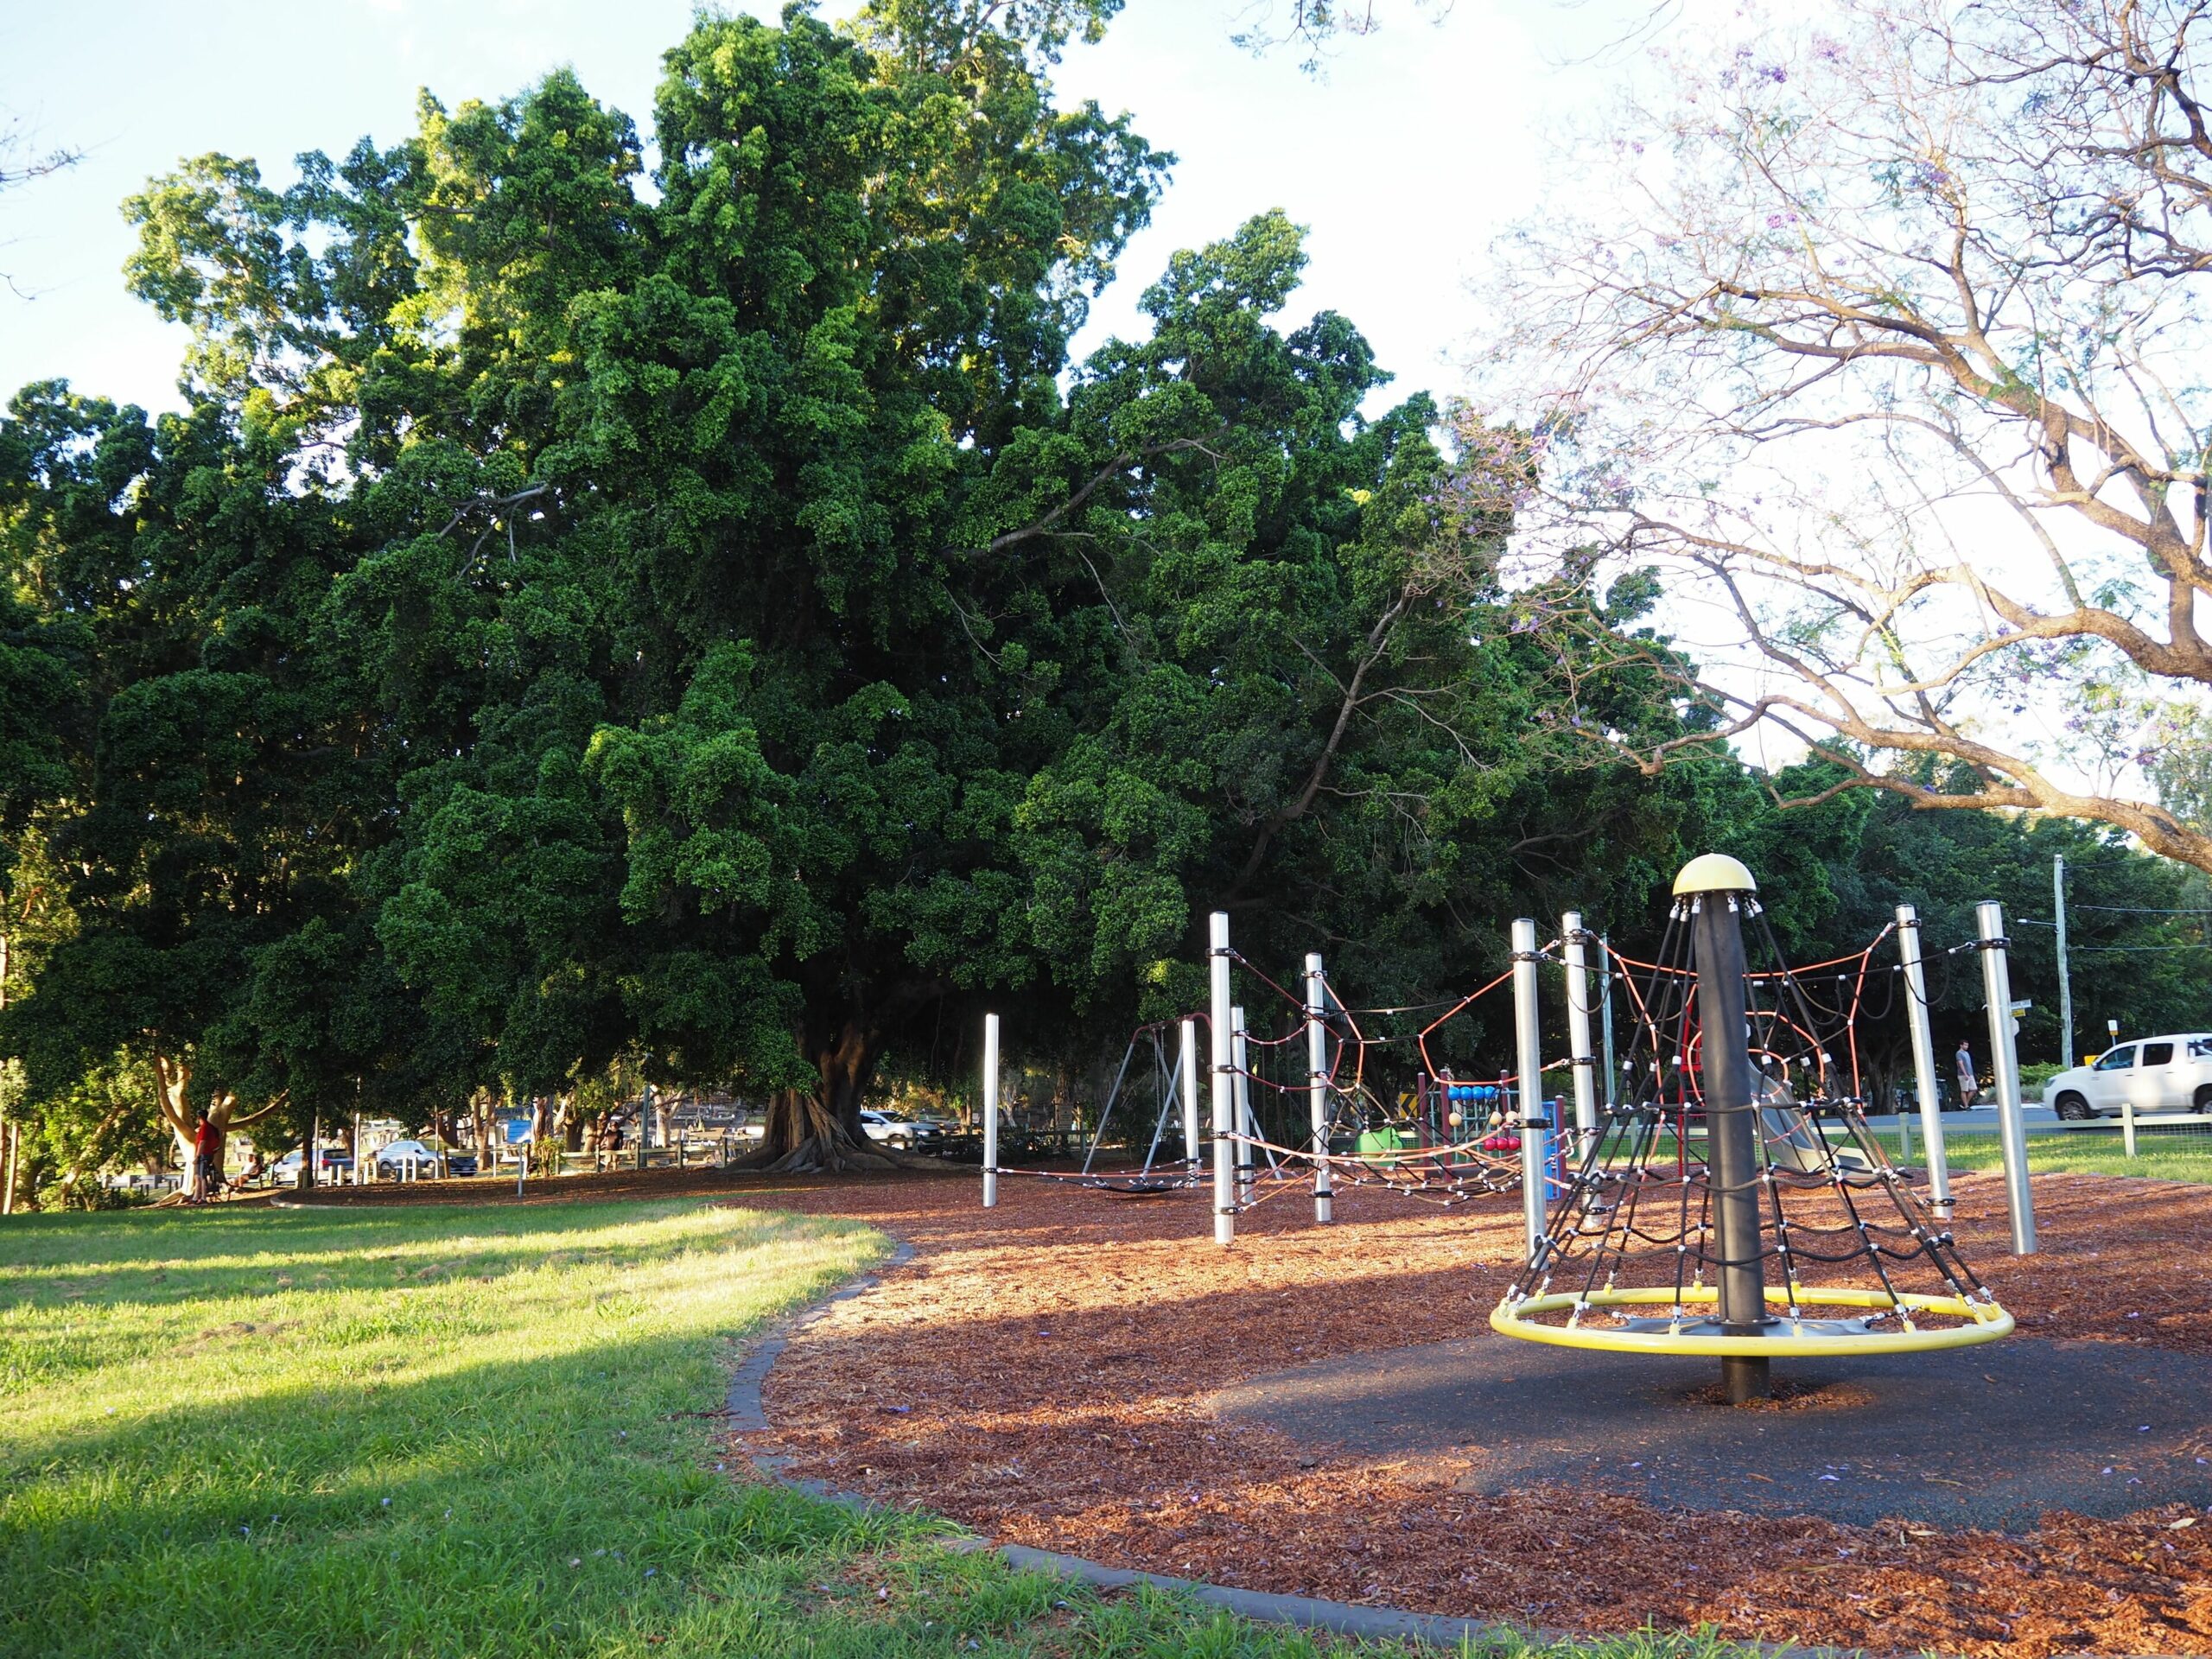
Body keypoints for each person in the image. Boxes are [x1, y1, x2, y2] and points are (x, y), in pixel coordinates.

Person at [1954, 1039, 1980, 1109]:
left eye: (1967, 1045)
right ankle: (1966, 1105)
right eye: (1965, 1045)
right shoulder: (1959, 1053)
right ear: (1961, 1045)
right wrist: (1965, 1074)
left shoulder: (1967, 1053)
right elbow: (1960, 1063)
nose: (1966, 1046)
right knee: (1964, 1090)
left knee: (1974, 1089)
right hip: (1963, 1074)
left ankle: (1966, 1104)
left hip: (1970, 1074)